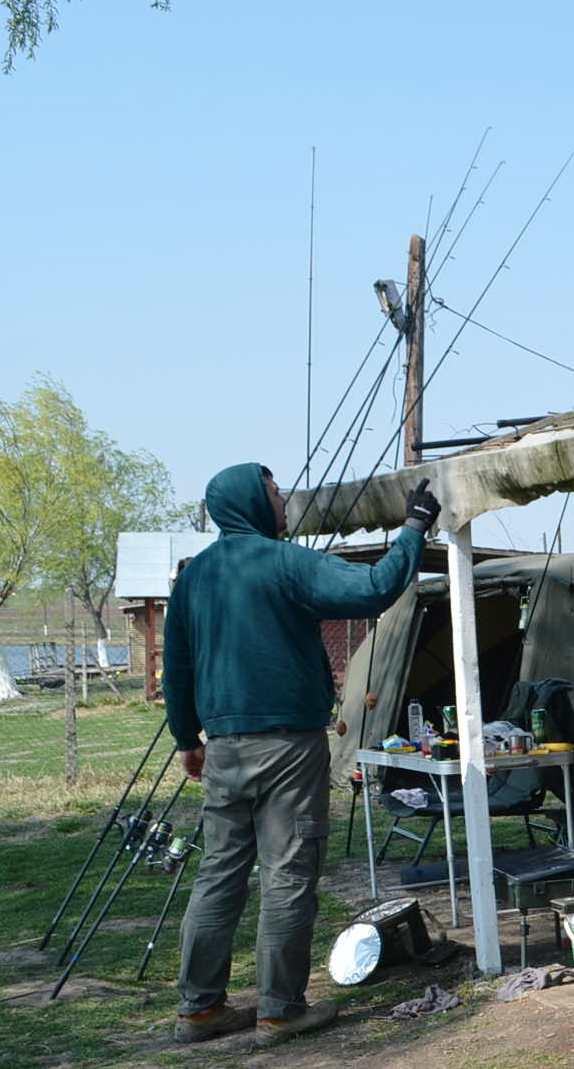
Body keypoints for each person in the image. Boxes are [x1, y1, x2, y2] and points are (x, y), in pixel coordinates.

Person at [163, 462, 440, 1047]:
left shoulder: (193, 578)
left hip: (224, 748)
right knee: (288, 873)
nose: (284, 499)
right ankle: (281, 1009)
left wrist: (187, 740)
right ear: (252, 503)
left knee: (218, 876)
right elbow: (372, 590)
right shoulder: (285, 562)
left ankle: (200, 1010)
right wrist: (414, 527)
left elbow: (178, 668)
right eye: (274, 491)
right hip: (287, 744)